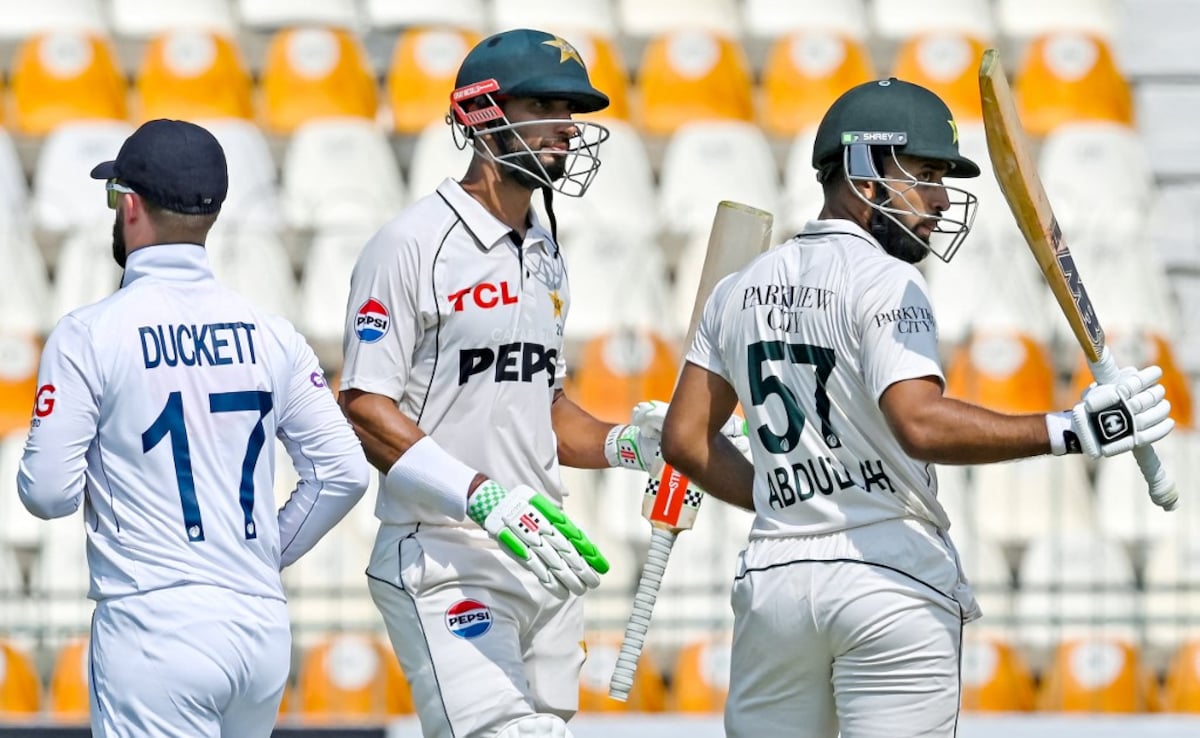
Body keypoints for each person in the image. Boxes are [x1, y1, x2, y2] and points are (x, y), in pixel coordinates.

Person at [658, 77, 1175, 738]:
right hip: (887, 576)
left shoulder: (738, 287)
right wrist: (1072, 430)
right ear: (864, 174)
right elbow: (919, 423)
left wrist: (783, 498)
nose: (938, 199)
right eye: (924, 174)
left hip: (776, 580)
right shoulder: (888, 278)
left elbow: (683, 438)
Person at [337, 27, 734, 738]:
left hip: (545, 550)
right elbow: (364, 406)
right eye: (545, 107)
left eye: (571, 112)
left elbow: (538, 405)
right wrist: (481, 496)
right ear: (483, 115)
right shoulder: (411, 246)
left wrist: (625, 445)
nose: (565, 129)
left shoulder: (545, 251)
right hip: (445, 550)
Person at [17, 119, 371, 738]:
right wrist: (263, 555)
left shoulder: (88, 334)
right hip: (258, 627)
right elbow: (342, 472)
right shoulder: (271, 331)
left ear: (128, 206)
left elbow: (47, 494)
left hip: (154, 624)